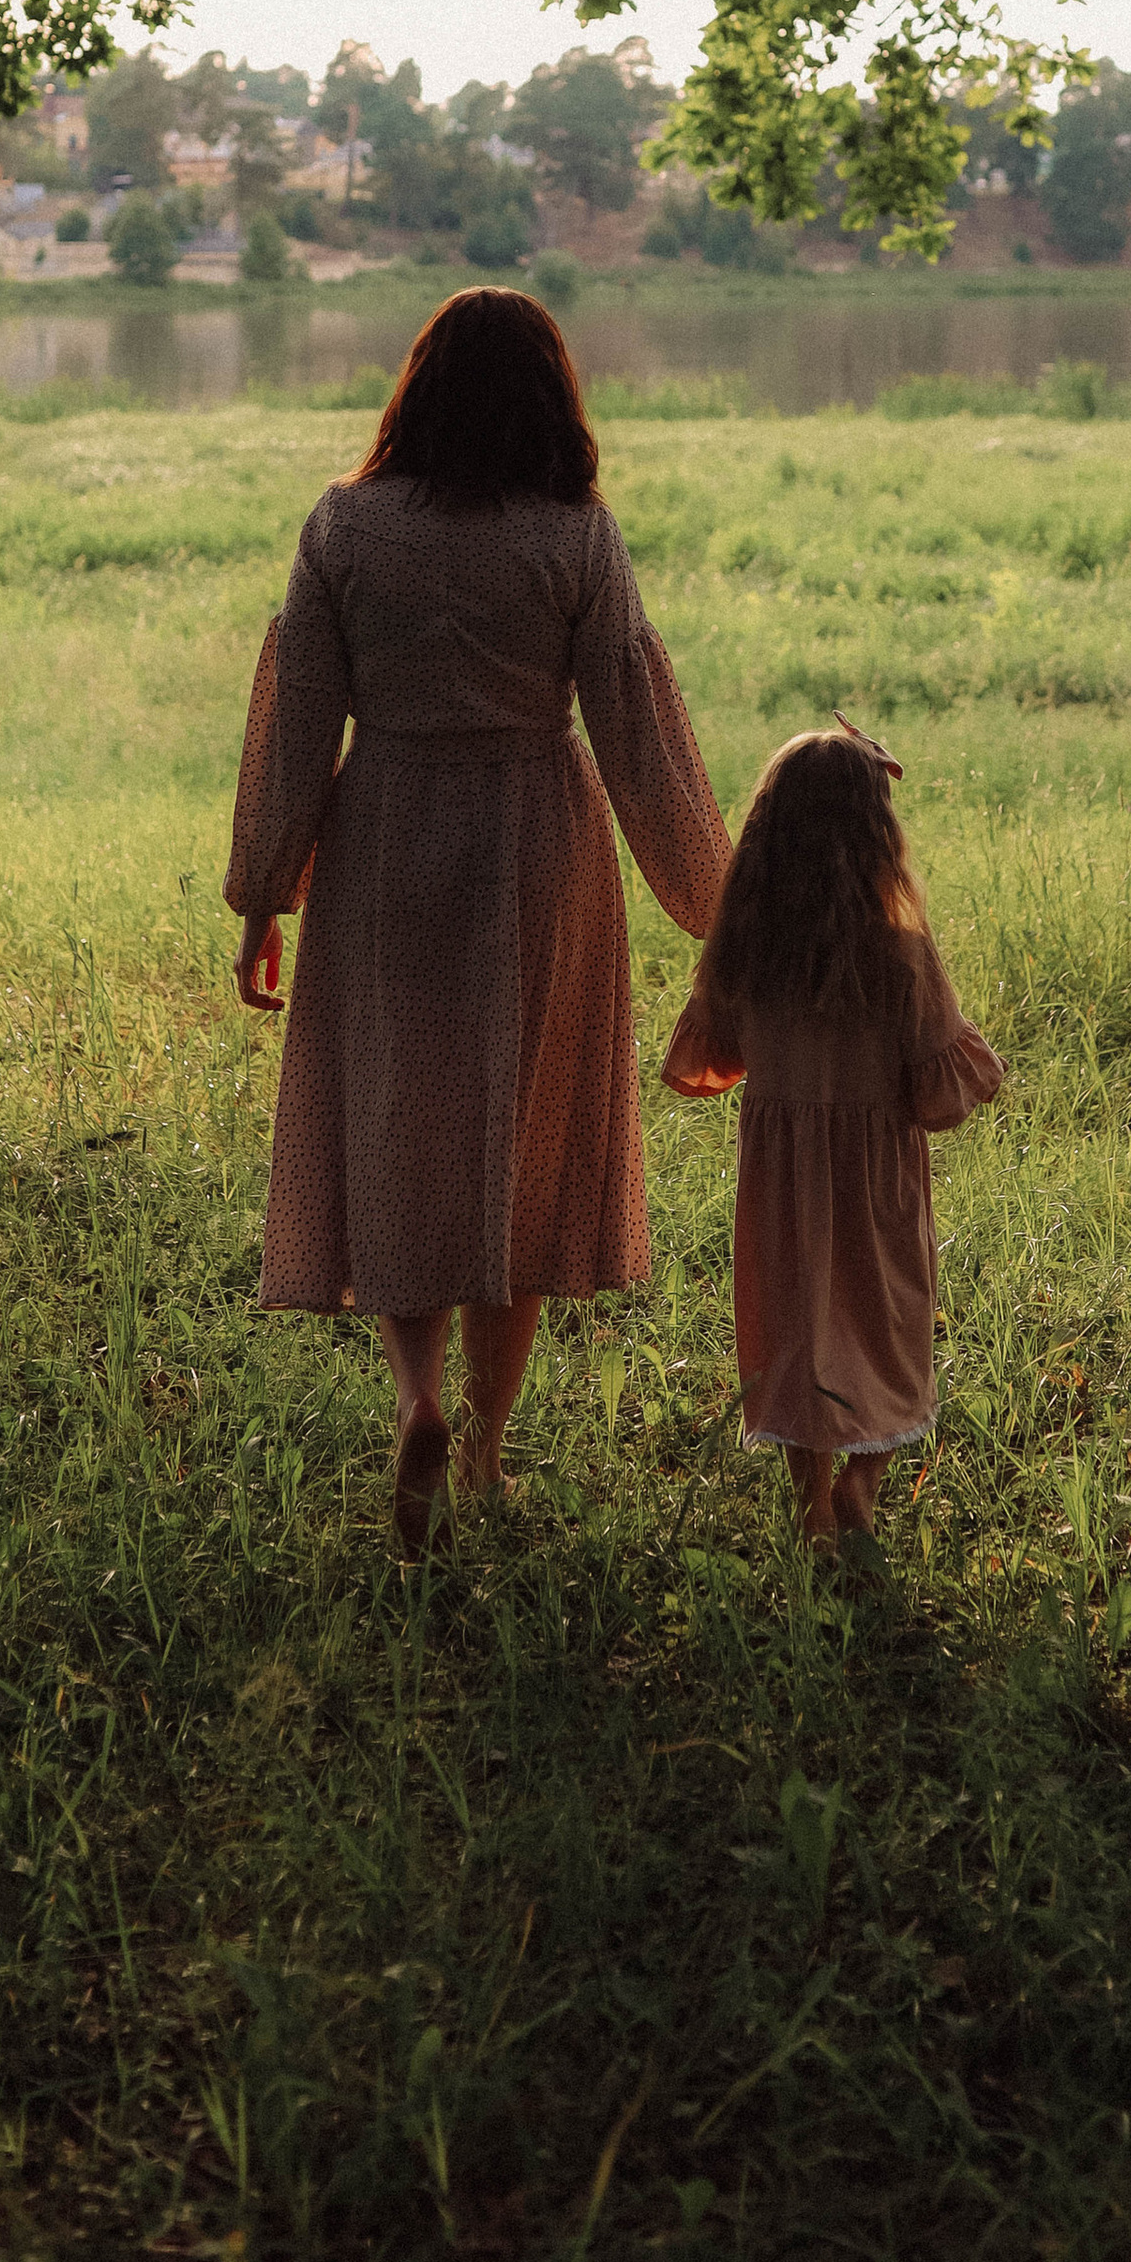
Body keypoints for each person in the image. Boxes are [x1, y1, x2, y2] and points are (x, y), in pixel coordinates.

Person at [225, 288, 728, 1557]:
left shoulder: (345, 526)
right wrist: (718, 911)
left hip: (386, 833)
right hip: (537, 845)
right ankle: (492, 1452)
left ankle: (417, 1404)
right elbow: (636, 732)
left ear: (418, 387)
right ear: (550, 395)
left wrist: (262, 896)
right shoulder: (575, 535)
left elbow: (297, 725)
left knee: (401, 1124)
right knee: (527, 1135)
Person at [661, 725, 1005, 1553]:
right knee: (886, 1325)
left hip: (780, 1184)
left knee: (795, 1332)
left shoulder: (746, 951)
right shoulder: (902, 956)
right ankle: (861, 1486)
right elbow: (937, 1085)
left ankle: (813, 1507)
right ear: (876, 833)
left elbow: (713, 1053)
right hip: (877, 1180)